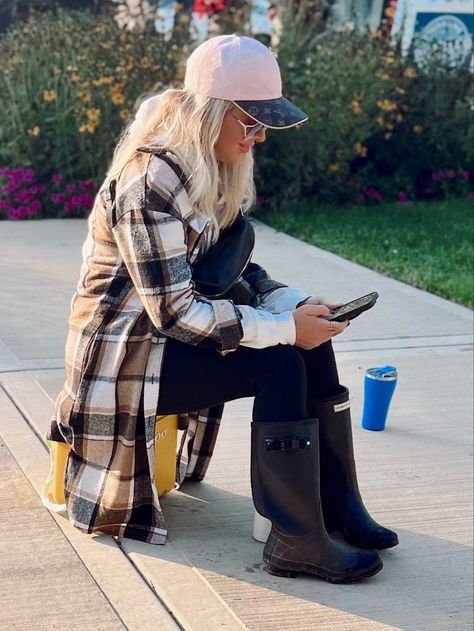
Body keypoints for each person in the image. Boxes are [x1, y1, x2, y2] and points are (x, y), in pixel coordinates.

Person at [47, 34, 398, 584]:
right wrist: (282, 329)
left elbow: (229, 270)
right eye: (250, 123)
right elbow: (176, 313)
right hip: (122, 364)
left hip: (163, 347)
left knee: (310, 342)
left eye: (266, 126)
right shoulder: (149, 185)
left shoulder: (208, 166)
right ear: (210, 112)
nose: (258, 138)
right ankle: (296, 540)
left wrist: (296, 305)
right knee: (280, 358)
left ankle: (334, 505)